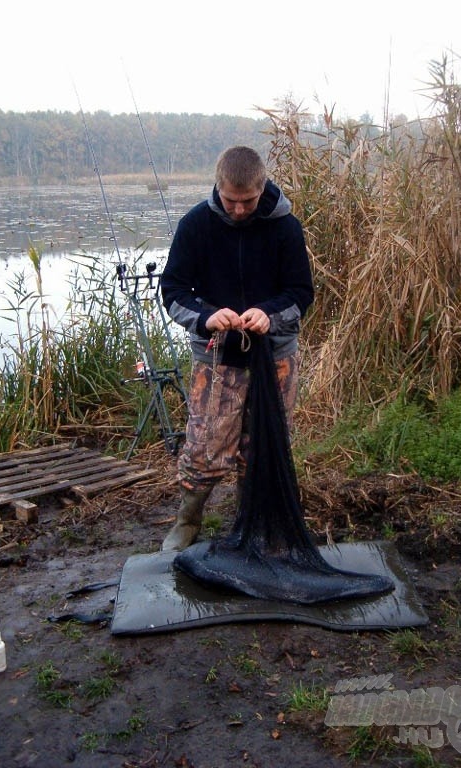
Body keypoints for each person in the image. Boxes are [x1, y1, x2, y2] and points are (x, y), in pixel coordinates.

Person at [159, 145, 314, 552]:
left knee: (263, 444)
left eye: (248, 201)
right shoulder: (195, 225)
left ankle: (254, 523)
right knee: (205, 442)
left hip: (275, 355)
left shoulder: (286, 228)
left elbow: (300, 293)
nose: (240, 209)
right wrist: (206, 316)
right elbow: (173, 290)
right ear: (218, 187)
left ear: (262, 189)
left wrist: (269, 314)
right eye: (231, 200)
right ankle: (187, 522)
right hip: (216, 354)